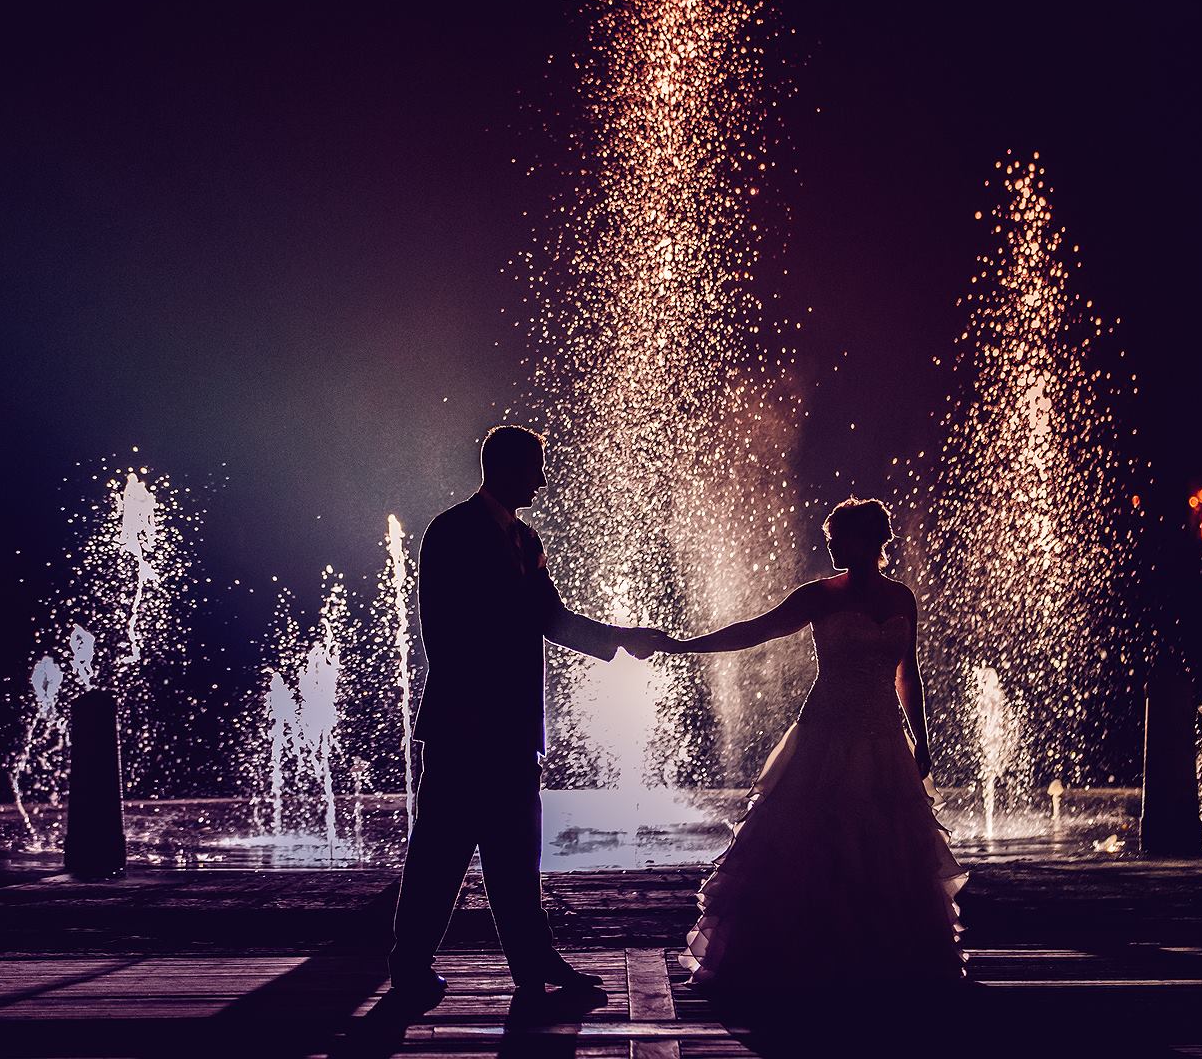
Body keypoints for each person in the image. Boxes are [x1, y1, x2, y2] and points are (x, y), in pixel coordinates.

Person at [637, 497, 968, 994]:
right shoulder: (819, 596)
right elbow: (755, 632)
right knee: (813, 841)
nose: (829, 543)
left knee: (885, 847)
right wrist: (682, 646)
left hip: (883, 738)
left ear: (868, 541)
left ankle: (886, 960)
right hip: (826, 735)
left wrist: (923, 739)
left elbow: (908, 674)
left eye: (837, 535)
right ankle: (807, 957)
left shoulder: (902, 598)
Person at [388, 425, 656, 1012]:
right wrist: (484, 710)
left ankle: (526, 962)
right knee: (443, 850)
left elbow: (549, 617)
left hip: (502, 729)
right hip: (470, 727)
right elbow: (444, 633)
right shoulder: (452, 532)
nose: (541, 479)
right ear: (505, 468)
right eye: (534, 467)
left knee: (512, 852)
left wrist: (621, 639)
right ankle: (412, 966)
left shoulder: (521, 537)